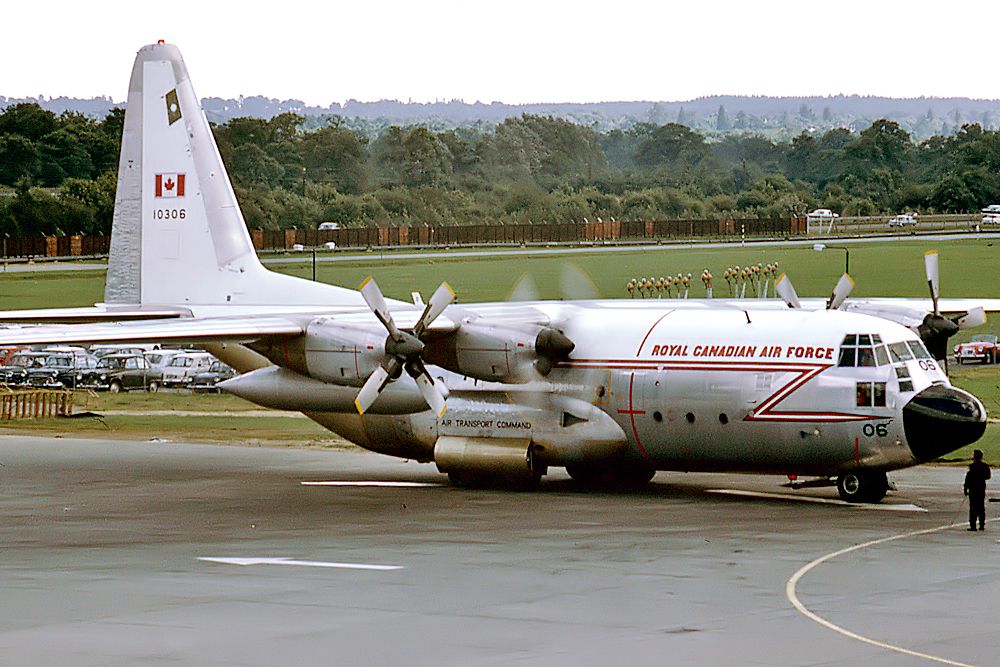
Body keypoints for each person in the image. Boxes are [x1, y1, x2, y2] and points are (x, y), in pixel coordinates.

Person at [964, 449, 991, 531]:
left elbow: (968, 478)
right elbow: (988, 476)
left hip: (973, 489)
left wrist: (966, 488)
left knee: (973, 508)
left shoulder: (972, 467)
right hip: (981, 488)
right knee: (981, 507)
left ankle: (973, 526)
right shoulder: (985, 466)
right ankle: (981, 525)